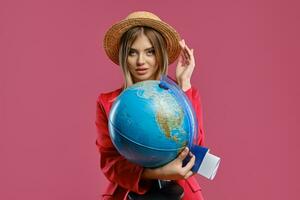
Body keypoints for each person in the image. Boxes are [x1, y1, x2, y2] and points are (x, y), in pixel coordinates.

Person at [95, 11, 206, 200]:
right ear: (124, 56)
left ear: (160, 54)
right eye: (132, 52)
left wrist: (184, 85)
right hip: (128, 194)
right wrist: (159, 172)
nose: (141, 61)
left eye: (150, 52)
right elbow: (110, 163)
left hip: (181, 194)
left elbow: (196, 148)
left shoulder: (180, 95)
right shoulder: (108, 103)